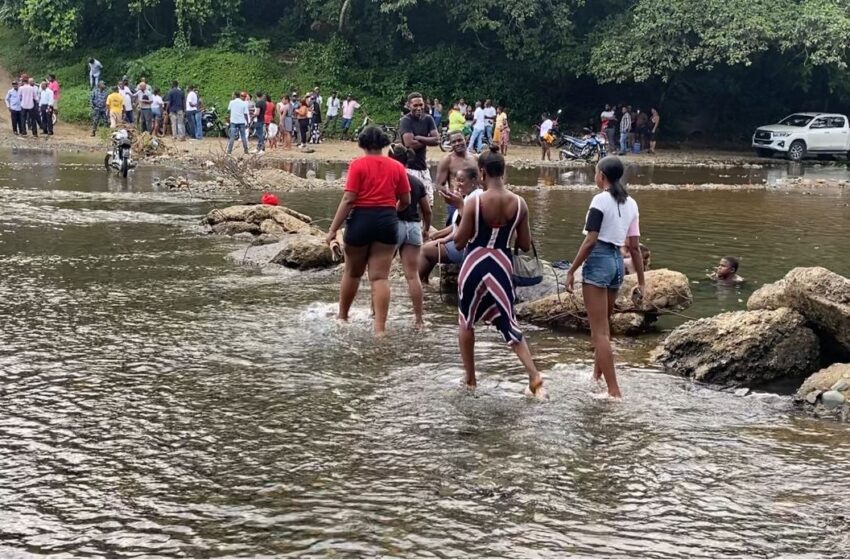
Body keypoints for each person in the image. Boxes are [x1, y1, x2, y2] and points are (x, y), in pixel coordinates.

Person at [453, 146, 546, 397]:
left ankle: (470, 379)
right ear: (503, 172)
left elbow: (460, 241)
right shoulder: (519, 203)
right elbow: (525, 244)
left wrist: (461, 218)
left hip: (474, 262)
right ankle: (534, 375)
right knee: (508, 320)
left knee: (466, 320)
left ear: (482, 173)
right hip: (502, 266)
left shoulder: (474, 200)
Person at [565, 156, 644, 399]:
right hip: (617, 264)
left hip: (599, 260)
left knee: (598, 332)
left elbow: (590, 241)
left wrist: (571, 270)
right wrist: (642, 281)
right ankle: (597, 378)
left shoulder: (599, 200)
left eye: (595, 172)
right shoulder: (631, 203)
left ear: (602, 175)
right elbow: (634, 247)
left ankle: (613, 391)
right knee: (605, 329)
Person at [325, 126, 411, 337]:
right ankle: (379, 329)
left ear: (362, 143)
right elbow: (406, 200)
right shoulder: (397, 167)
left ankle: (343, 317)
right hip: (387, 221)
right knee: (380, 277)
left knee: (352, 272)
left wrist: (333, 230)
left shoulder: (357, 165)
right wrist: (391, 211)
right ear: (383, 143)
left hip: (361, 220)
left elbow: (348, 199)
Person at [388, 144, 432, 329]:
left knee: (380, 274)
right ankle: (419, 320)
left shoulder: (389, 180)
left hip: (394, 226)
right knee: (412, 276)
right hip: (413, 227)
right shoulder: (416, 182)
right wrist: (426, 229)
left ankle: (375, 312)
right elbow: (427, 210)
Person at [418, 165, 482, 281]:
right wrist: (437, 236)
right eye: (456, 180)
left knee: (424, 250)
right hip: (459, 241)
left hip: (465, 247)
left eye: (462, 181)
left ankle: (415, 284)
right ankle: (425, 282)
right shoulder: (467, 197)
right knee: (430, 240)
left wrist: (460, 206)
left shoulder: (475, 198)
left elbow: (466, 228)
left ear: (473, 181)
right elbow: (456, 225)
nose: (458, 184)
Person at [399, 92, 439, 205]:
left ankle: (426, 223)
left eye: (421, 105)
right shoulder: (405, 121)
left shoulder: (428, 119)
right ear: (408, 105)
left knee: (429, 202)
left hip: (423, 167)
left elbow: (437, 140)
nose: (419, 108)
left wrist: (419, 138)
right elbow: (409, 144)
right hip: (408, 168)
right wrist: (428, 140)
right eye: (415, 105)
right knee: (410, 203)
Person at [435, 131, 478, 224]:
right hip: (456, 201)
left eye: (459, 140)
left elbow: (480, 180)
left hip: (474, 200)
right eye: (454, 142)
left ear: (465, 139)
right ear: (451, 144)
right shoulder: (447, 160)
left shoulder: (474, 158)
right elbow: (438, 185)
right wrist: (451, 195)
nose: (457, 143)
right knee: (454, 228)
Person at [226, 91, 250, 155]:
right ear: (240, 96)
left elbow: (229, 110)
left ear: (234, 95)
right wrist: (247, 122)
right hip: (241, 121)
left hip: (233, 121)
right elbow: (245, 114)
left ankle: (229, 151)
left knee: (232, 137)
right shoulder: (244, 103)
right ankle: (246, 150)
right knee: (243, 137)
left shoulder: (231, 102)